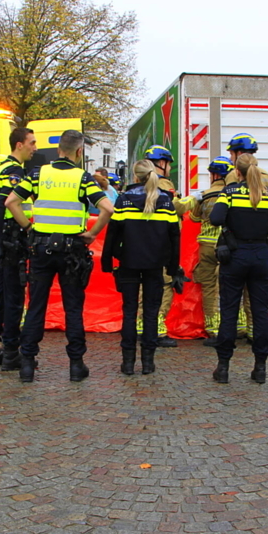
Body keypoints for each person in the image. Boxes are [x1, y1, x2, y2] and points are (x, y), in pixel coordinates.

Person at [5, 129, 114, 382]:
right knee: (72, 308)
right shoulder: (83, 178)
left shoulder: (37, 174)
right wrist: (92, 234)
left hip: (41, 248)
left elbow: (11, 202)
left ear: (58, 150)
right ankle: (76, 366)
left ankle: (28, 365)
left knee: (36, 307)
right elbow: (108, 207)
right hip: (72, 251)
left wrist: (29, 228)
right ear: (79, 152)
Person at [102, 159, 181, 376]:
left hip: (128, 262)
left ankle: (127, 363)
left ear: (135, 176)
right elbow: (175, 236)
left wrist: (107, 261)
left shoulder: (124, 199)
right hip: (155, 265)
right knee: (151, 313)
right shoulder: (165, 201)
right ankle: (148, 362)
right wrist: (173, 266)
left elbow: (112, 233)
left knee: (129, 312)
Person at [209, 154, 268, 384]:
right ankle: (260, 368)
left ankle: (224, 367)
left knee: (229, 311)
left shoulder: (229, 192)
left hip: (235, 256)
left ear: (236, 172)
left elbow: (216, 218)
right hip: (261, 257)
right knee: (260, 313)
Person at [0, 128, 37, 370]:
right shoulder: (14, 171)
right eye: (32, 143)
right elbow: (3, 204)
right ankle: (10, 353)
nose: (34, 148)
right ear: (19, 145)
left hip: (3, 237)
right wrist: (27, 228)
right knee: (14, 298)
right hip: (13, 238)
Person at [137, 145, 193, 347]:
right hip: (163, 242)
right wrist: (193, 200)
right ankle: (157, 330)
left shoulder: (139, 185)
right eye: (169, 163)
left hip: (145, 241)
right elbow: (176, 206)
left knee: (145, 286)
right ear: (162, 163)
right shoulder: (164, 183)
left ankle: (142, 327)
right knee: (166, 284)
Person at [224, 133, 268, 342]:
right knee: (257, 298)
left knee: (232, 296)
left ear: (237, 154)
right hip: (262, 249)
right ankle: (256, 334)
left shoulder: (232, 177)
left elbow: (224, 214)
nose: (229, 156)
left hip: (237, 249)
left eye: (231, 153)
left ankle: (237, 331)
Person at [189, 156, 233, 346]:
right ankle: (238, 326)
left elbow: (193, 217)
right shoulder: (233, 193)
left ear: (213, 174)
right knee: (232, 287)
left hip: (207, 246)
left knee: (209, 287)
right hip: (228, 246)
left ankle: (213, 328)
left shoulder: (204, 194)